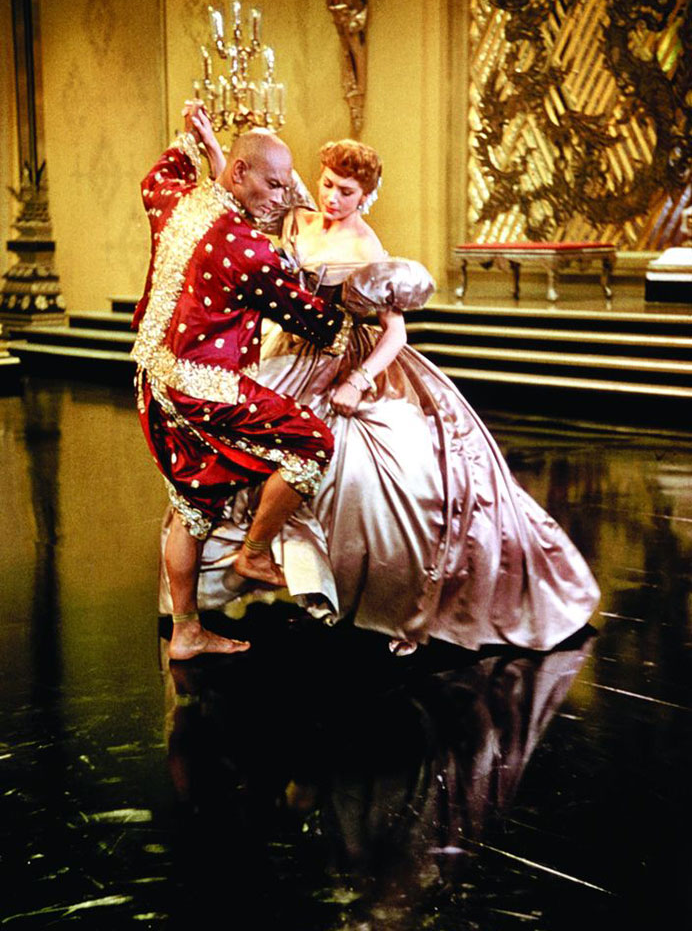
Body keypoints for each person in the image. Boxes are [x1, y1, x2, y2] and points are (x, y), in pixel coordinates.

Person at [163, 134, 600, 656]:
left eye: (346, 191)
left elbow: (396, 333)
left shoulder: (366, 248)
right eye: (328, 184)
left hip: (341, 361)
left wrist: (357, 380)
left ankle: (376, 599)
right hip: (285, 352)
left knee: (381, 477)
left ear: (366, 196)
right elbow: (241, 194)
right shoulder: (297, 216)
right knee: (233, 456)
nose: (332, 198)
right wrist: (215, 147)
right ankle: (242, 572)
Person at [133, 104, 352, 660]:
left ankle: (186, 632)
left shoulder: (176, 201)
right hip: (204, 388)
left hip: (154, 383)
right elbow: (313, 320)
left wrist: (194, 139)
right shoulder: (247, 251)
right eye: (274, 184)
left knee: (192, 507)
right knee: (312, 445)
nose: (282, 196)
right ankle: (254, 551)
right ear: (238, 173)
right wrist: (358, 317)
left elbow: (156, 175)